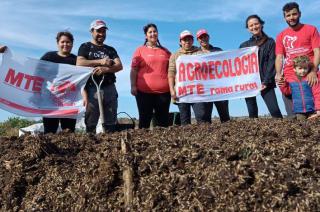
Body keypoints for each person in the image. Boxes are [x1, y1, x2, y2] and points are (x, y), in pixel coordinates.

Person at [77, 20, 123, 133]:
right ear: (92, 31)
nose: (101, 34)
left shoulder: (110, 49)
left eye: (103, 31)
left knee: (111, 121)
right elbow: (80, 63)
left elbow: (119, 65)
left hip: (109, 87)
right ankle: (90, 144)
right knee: (91, 121)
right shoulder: (85, 47)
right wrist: (101, 61)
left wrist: (105, 69)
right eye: (98, 31)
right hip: (92, 88)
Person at [275, 2, 320, 118]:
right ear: (285, 17)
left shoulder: (311, 29)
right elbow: (279, 57)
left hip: (309, 71)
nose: (291, 17)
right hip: (290, 73)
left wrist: (313, 71)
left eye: (294, 14)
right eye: (288, 15)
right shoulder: (281, 35)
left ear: (299, 14)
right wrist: (279, 74)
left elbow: (317, 51)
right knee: (294, 118)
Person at [239, 15, 283, 118]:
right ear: (248, 28)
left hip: (266, 82)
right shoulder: (243, 46)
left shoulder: (270, 42)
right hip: (249, 83)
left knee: (275, 111)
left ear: (261, 24)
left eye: (256, 24)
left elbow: (272, 62)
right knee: (252, 113)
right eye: (251, 25)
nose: (254, 27)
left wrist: (265, 82)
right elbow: (239, 65)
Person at [130, 23, 171, 128]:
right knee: (144, 121)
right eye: (150, 32)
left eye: (155, 31)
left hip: (164, 93)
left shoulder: (166, 51)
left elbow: (172, 70)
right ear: (146, 35)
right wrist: (133, 86)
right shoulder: (139, 50)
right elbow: (134, 70)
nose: (153, 34)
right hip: (143, 93)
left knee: (163, 122)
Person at [40, 31, 77, 134]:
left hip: (69, 101)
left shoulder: (76, 60)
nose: (65, 44)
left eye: (68, 42)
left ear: (72, 44)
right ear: (58, 43)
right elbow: (38, 73)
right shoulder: (48, 57)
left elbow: (82, 81)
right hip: (50, 100)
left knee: (69, 131)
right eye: (62, 42)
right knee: (49, 131)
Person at [168, 30, 207, 125]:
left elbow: (208, 68)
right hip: (182, 93)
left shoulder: (200, 52)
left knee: (201, 117)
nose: (187, 41)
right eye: (184, 40)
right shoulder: (175, 55)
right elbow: (171, 73)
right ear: (180, 42)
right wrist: (172, 91)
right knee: (185, 120)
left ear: (193, 40)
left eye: (189, 39)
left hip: (197, 92)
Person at [196, 29, 230, 123]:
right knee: (205, 117)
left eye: (205, 36)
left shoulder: (218, 51)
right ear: (198, 40)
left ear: (209, 37)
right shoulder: (195, 54)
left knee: (225, 116)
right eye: (201, 37)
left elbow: (226, 66)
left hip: (219, 89)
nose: (203, 39)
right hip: (205, 89)